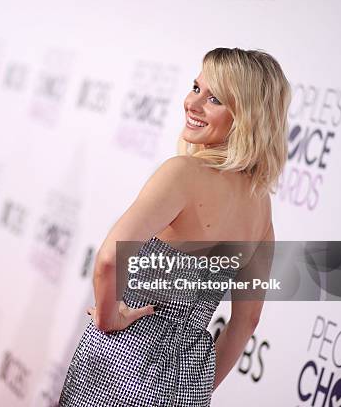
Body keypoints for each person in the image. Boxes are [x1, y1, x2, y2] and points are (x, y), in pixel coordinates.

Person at [58, 48, 291, 406]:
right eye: (195, 88)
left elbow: (108, 260)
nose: (192, 103)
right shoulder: (262, 208)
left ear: (247, 117)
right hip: (190, 380)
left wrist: (108, 319)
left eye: (213, 99)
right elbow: (248, 321)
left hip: (121, 358)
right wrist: (193, 389)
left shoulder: (183, 173)